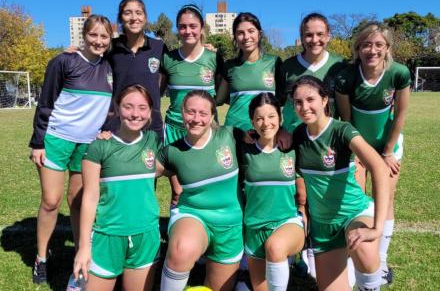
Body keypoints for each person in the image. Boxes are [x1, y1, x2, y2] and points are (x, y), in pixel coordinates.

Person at [29, 15, 113, 284]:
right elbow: (45, 102)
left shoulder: (110, 67)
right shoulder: (64, 61)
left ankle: (81, 254)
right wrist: (38, 142)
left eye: (104, 36)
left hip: (88, 144)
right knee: (51, 201)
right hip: (56, 139)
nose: (99, 41)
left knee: (78, 203)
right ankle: (41, 257)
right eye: (94, 35)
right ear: (83, 36)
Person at [291, 75, 390, 291]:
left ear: (324, 100)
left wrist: (377, 228)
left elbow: (380, 168)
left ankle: (371, 285)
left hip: (353, 213)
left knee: (362, 244)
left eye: (310, 100)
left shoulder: (341, 130)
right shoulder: (298, 135)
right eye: (298, 102)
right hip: (323, 227)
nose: (304, 107)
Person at [335, 22, 411, 286]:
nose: (372, 50)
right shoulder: (346, 76)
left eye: (379, 44)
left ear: (387, 47)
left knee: (385, 199)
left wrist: (388, 152)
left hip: (388, 146)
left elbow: (400, 113)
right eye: (366, 44)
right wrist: (357, 153)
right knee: (355, 201)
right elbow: (345, 119)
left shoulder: (399, 73)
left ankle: (382, 259)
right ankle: (350, 259)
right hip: (358, 145)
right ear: (358, 48)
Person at [73, 84, 161, 291]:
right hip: (107, 235)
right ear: (117, 107)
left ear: (150, 112)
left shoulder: (153, 140)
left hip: (145, 235)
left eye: (142, 108)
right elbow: (90, 198)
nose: (135, 114)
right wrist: (84, 247)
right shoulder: (99, 146)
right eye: (128, 106)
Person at [157, 90, 243, 291]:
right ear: (182, 112)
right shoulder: (172, 151)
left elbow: (267, 140)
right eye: (190, 112)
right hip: (193, 215)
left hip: (231, 225)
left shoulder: (231, 136)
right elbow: (140, 171)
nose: (196, 119)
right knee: (181, 250)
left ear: (213, 115)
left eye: (203, 113)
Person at [237, 92, 305, 290]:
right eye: (259, 118)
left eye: (271, 116)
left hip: (287, 223)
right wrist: (241, 134)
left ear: (280, 118)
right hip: (254, 229)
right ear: (251, 121)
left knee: (275, 247)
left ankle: (293, 257)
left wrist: (304, 210)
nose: (266, 123)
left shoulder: (292, 148)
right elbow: (222, 132)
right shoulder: (243, 150)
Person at [106, 0, 167, 140]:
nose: (134, 18)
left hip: (151, 124)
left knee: (153, 162)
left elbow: (166, 77)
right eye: (127, 13)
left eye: (139, 13)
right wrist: (76, 52)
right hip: (119, 124)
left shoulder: (159, 47)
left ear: (145, 18)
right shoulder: (110, 48)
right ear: (120, 19)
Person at [161, 4, 223, 145]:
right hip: (174, 131)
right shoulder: (167, 59)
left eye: (193, 26)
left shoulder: (214, 58)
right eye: (182, 26)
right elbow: (155, 94)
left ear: (202, 28)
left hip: (206, 129)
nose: (188, 31)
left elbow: (220, 98)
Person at [280, 12, 346, 133]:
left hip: (328, 138)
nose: (315, 40)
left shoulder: (340, 65)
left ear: (328, 36)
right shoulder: (287, 67)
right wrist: (282, 131)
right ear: (302, 38)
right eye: (309, 35)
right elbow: (278, 103)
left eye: (320, 34)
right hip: (293, 137)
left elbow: (347, 109)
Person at [216, 12, 282, 132]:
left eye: (251, 31)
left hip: (265, 131)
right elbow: (219, 100)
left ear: (259, 34)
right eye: (240, 33)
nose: (246, 37)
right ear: (235, 37)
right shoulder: (230, 66)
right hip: (234, 131)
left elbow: (282, 100)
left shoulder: (274, 62)